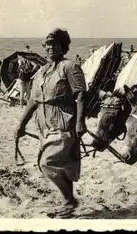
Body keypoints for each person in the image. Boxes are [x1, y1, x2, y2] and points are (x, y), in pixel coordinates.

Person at [15, 28, 87, 218]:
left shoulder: (70, 67)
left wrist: (80, 122)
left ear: (63, 47)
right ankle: (68, 203)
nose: (50, 48)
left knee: (47, 163)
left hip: (64, 122)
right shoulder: (42, 71)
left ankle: (69, 201)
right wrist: (21, 125)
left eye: (54, 45)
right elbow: (32, 100)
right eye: (47, 45)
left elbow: (80, 96)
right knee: (61, 164)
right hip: (45, 125)